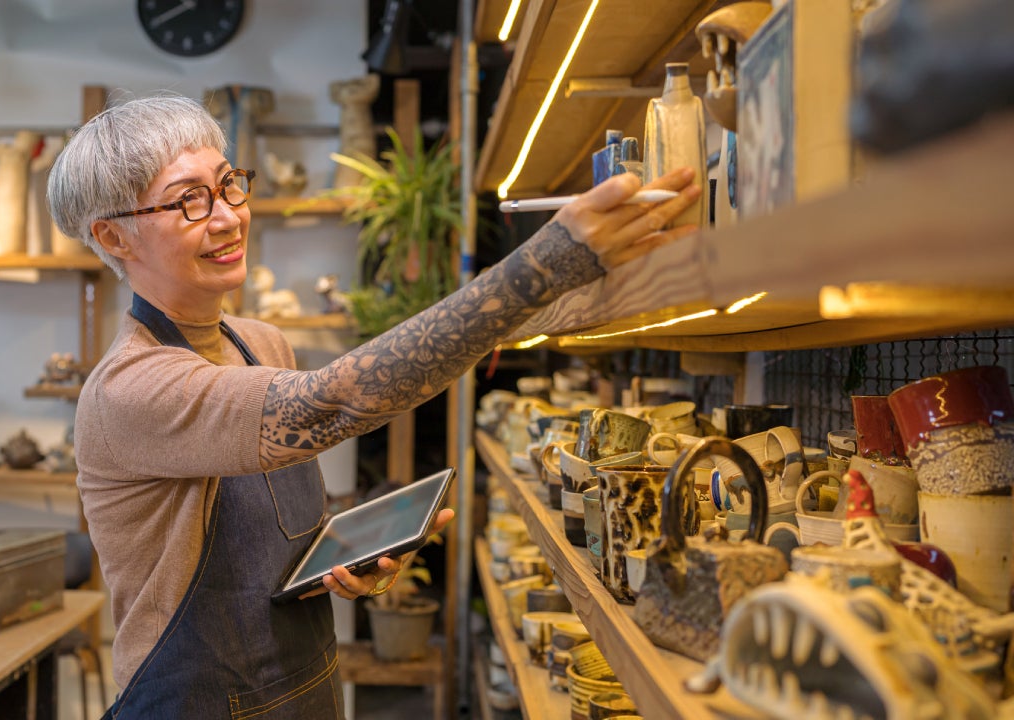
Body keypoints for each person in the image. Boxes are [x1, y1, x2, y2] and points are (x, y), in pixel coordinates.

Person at [47, 93, 700, 719]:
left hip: (304, 687)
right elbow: (336, 403)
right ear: (116, 237)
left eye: (227, 185)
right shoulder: (128, 390)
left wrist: (345, 560)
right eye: (190, 201)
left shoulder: (262, 343)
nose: (227, 216)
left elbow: (285, 527)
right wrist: (545, 265)